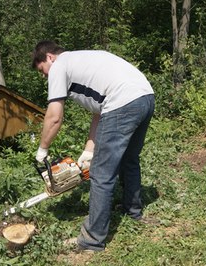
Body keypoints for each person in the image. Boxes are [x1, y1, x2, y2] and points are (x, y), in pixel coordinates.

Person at [32, 40, 155, 252]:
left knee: (101, 174)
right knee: (129, 159)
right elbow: (100, 113)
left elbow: (54, 117)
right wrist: (88, 151)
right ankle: (132, 211)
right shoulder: (83, 59)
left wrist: (42, 149)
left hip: (122, 102)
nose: (45, 77)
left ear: (50, 57)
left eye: (43, 71)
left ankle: (92, 240)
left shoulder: (59, 66)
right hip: (145, 97)